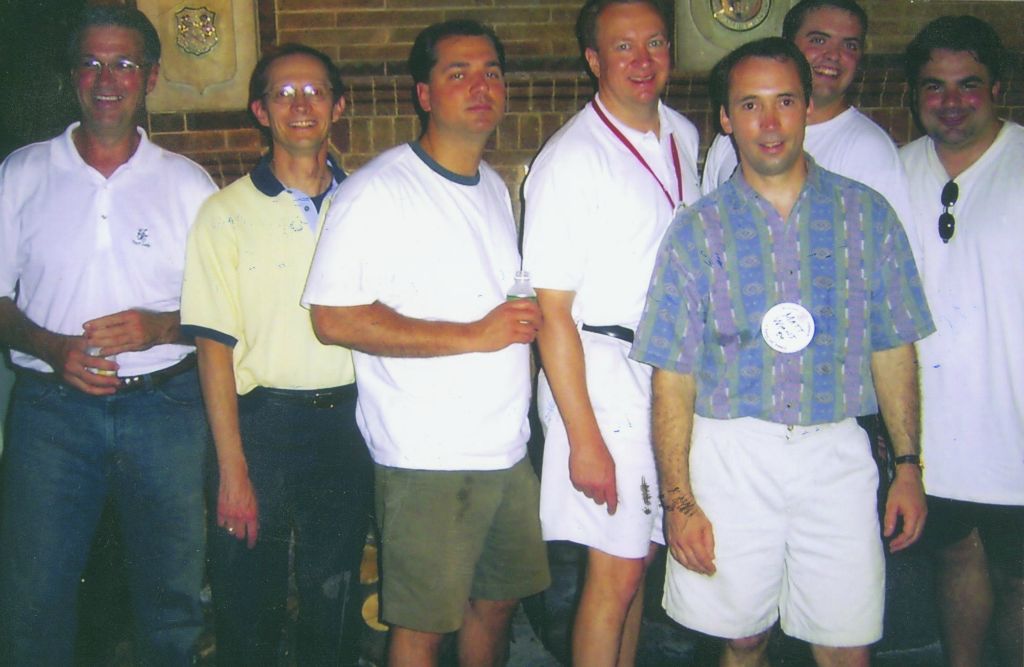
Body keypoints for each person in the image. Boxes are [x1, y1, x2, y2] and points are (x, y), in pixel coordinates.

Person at [631, 38, 934, 667]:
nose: (768, 123)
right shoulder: (696, 230)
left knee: (847, 640)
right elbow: (673, 376)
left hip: (836, 453)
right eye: (750, 105)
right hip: (732, 452)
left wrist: (908, 466)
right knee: (741, 637)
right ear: (725, 118)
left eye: (784, 102)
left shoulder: (867, 215)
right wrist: (679, 502)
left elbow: (893, 347)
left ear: (806, 106)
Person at [301, 20, 550, 667]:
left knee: (495, 604)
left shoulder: (494, 187)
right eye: (458, 72)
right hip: (428, 456)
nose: (481, 85)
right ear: (423, 92)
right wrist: (475, 333)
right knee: (422, 625)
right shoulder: (378, 191)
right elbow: (333, 317)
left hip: (505, 446)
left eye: (491, 71)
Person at [0, 6, 217, 664]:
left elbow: (227, 311)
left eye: (124, 63)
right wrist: (52, 345)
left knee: (173, 596)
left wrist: (160, 325)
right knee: (33, 597)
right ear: (72, 76)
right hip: (50, 413)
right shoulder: (22, 173)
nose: (107, 78)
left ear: (150, 77)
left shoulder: (187, 183)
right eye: (92, 62)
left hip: (168, 411)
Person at [180, 44, 373, 666]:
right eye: (283, 93)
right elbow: (213, 349)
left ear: (338, 106)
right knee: (247, 592)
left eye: (314, 91)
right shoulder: (224, 214)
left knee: (335, 589)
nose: (300, 105)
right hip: (261, 426)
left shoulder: (368, 204)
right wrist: (232, 469)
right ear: (261, 110)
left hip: (348, 422)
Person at [521, 1, 700, 664]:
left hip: (666, 371)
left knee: (641, 560)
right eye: (623, 48)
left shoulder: (683, 132)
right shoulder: (571, 159)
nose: (643, 61)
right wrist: (583, 436)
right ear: (593, 61)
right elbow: (552, 313)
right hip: (598, 373)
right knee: (615, 571)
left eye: (655, 43)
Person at [900, 16, 1024, 667]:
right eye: (935, 87)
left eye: (968, 86)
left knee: (1019, 576)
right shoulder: (896, 173)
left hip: (1016, 419)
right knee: (954, 554)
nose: (950, 102)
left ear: (997, 88)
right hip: (936, 427)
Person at [700, 0, 912, 234]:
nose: (834, 55)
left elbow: (892, 257)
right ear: (788, 44)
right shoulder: (730, 140)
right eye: (818, 40)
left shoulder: (869, 150)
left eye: (850, 46)